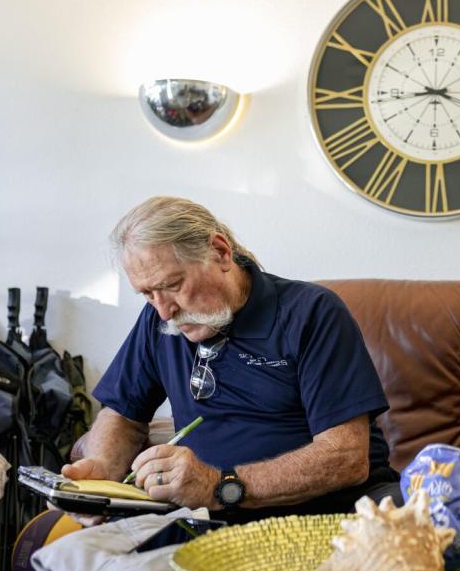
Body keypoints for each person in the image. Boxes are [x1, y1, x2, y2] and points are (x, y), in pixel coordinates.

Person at [63, 197, 399, 523]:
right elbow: (122, 413)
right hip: (208, 519)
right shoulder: (159, 319)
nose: (165, 310)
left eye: (173, 285)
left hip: (323, 516)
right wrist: (103, 471)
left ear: (221, 252)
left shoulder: (311, 313)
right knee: (68, 561)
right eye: (148, 293)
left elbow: (345, 457)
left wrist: (219, 486)